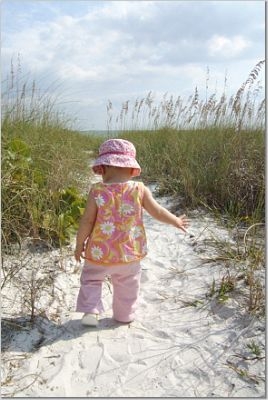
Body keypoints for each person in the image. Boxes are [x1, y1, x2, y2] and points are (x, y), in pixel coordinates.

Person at [74, 138, 189, 326]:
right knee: (128, 285)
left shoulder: (97, 191)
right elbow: (157, 211)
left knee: (91, 280)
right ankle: (124, 315)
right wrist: (175, 220)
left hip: (99, 252)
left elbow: (87, 220)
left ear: (102, 167)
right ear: (131, 169)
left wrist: (79, 244)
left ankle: (90, 312)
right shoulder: (139, 189)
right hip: (129, 252)